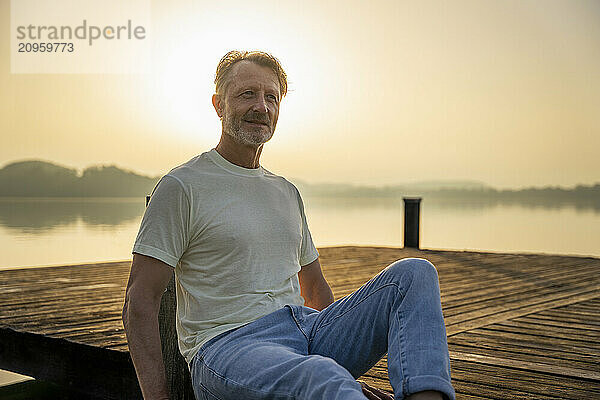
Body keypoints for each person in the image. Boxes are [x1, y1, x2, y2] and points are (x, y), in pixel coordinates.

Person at [122, 50, 456, 400]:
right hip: (227, 348)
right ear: (219, 105)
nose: (261, 107)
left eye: (271, 97)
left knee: (414, 274)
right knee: (319, 374)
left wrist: (342, 371)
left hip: (304, 331)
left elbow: (314, 288)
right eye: (247, 94)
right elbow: (139, 300)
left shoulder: (286, 192)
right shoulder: (182, 186)